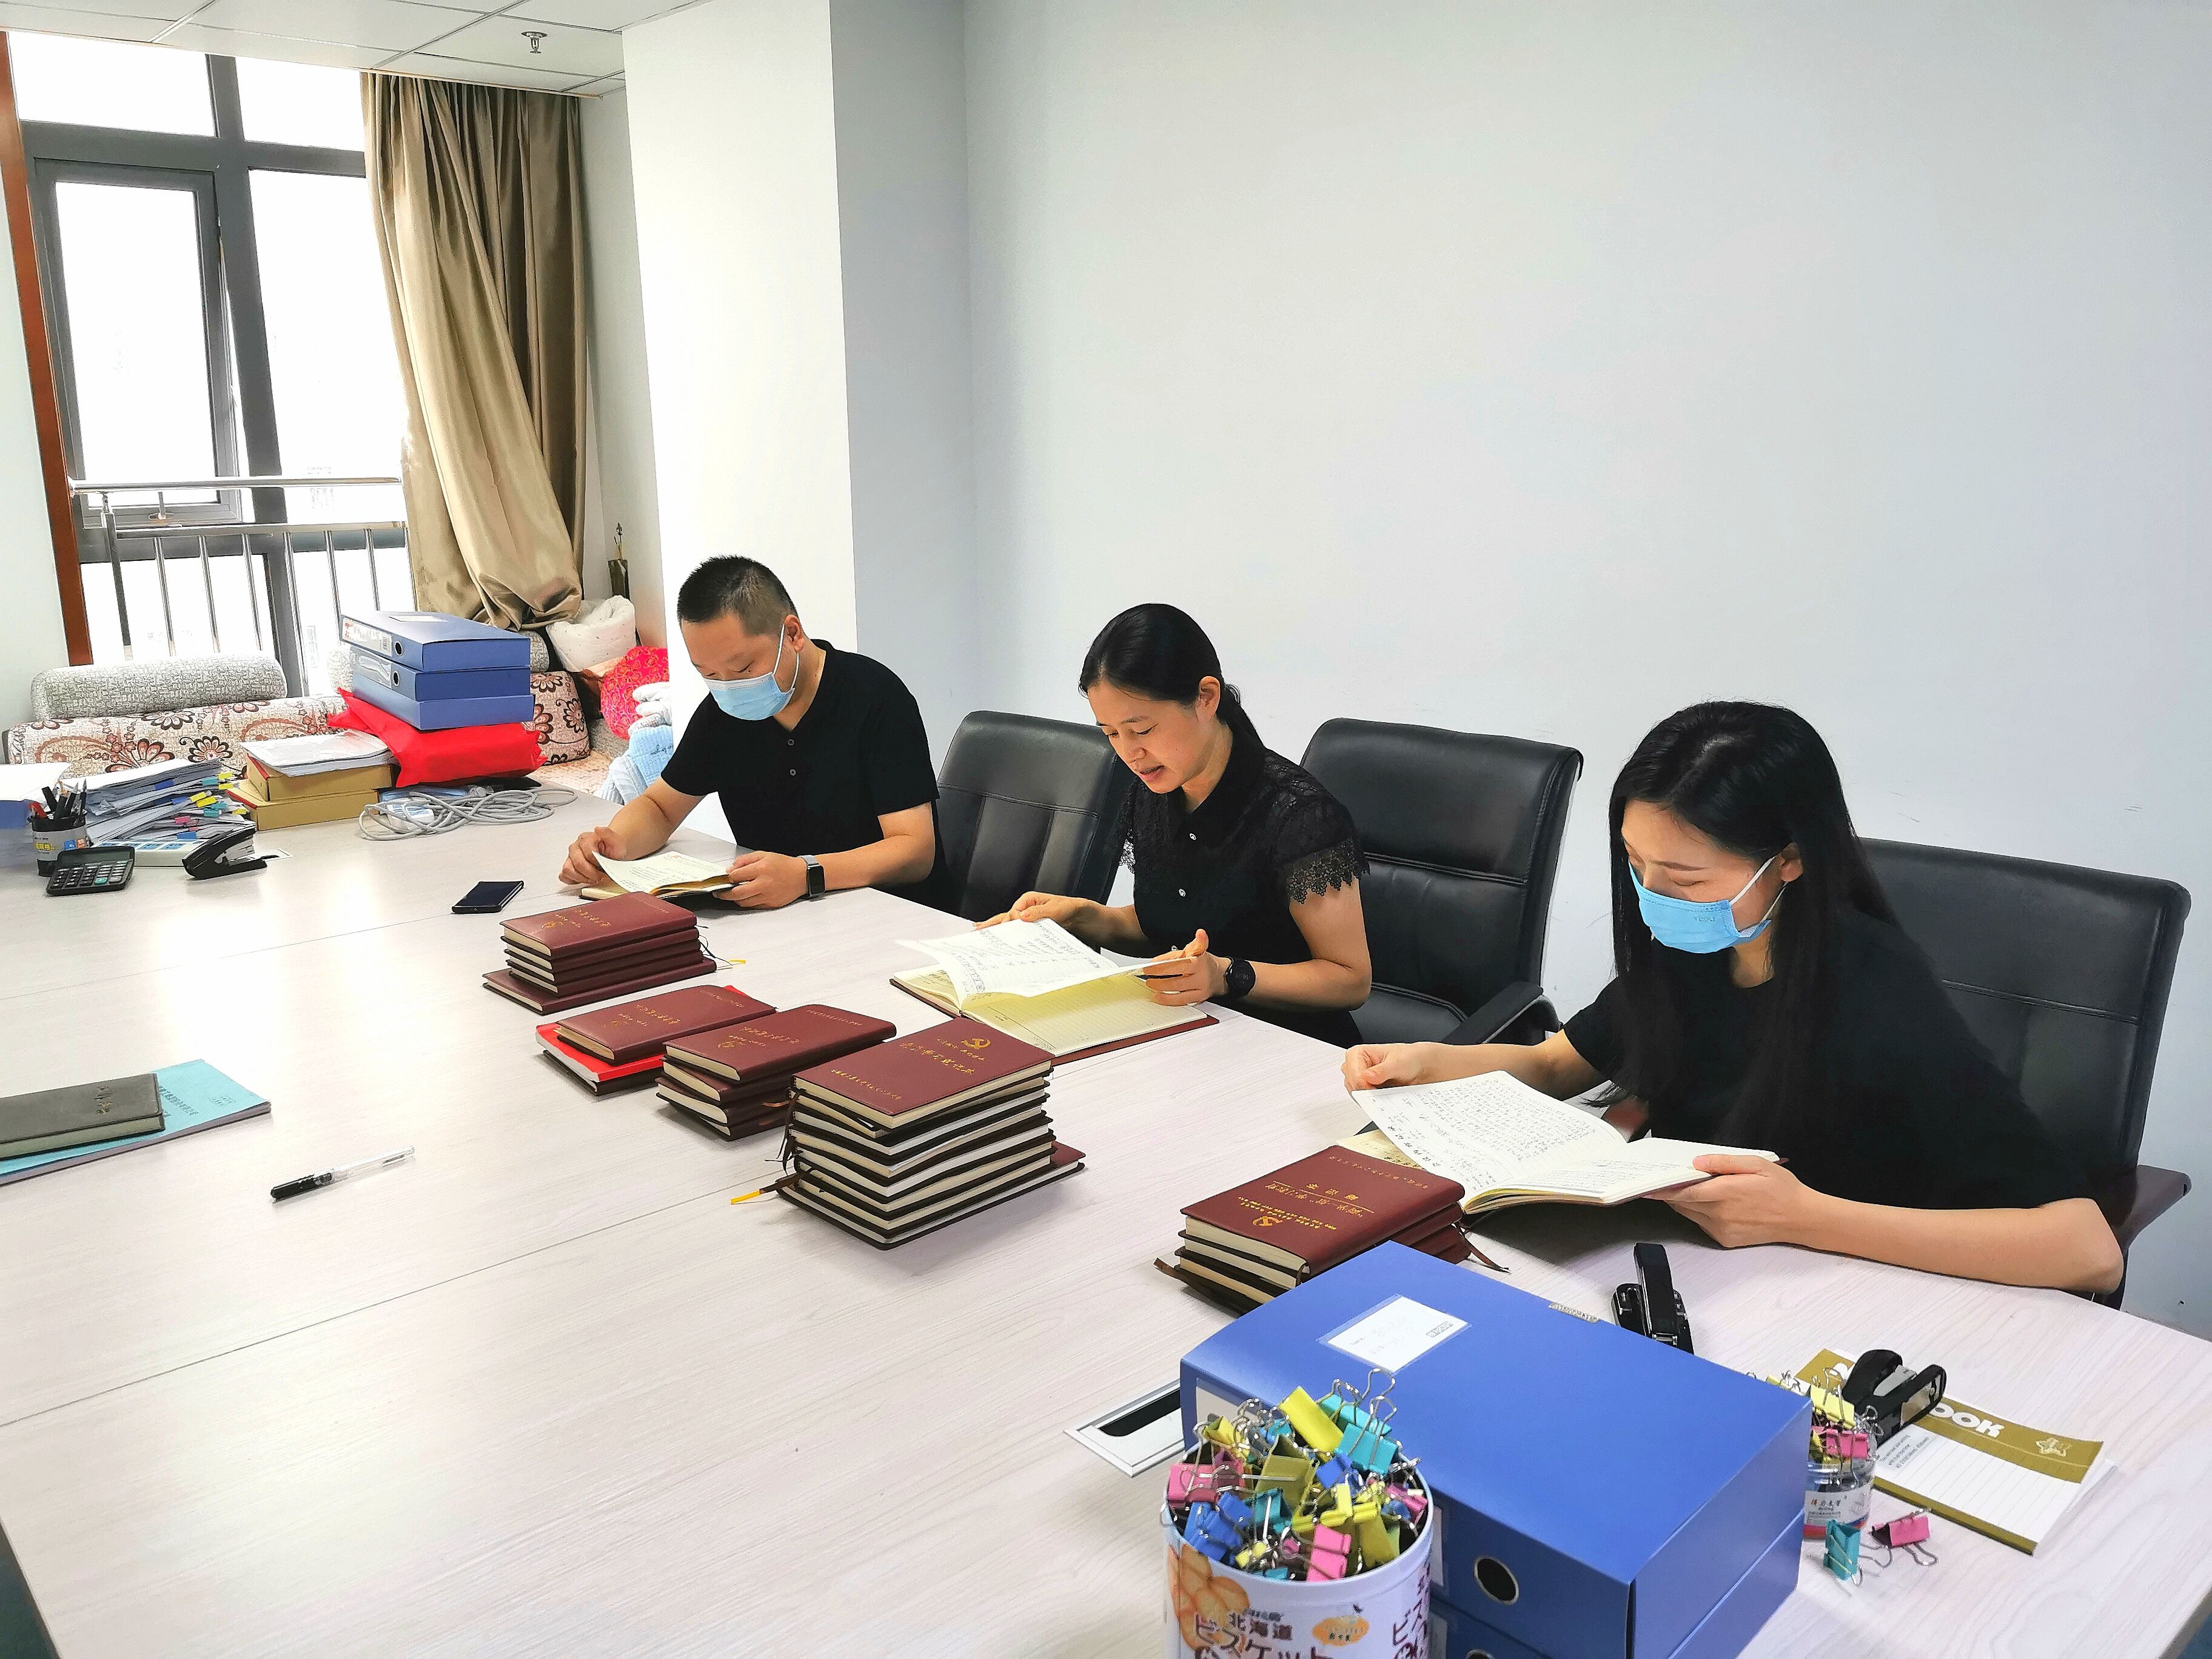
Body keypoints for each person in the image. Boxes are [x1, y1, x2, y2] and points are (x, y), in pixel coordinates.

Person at [1342, 701, 2122, 1294]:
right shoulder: (1696, 948)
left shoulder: (1876, 989)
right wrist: (1430, 1063)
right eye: (1635, 866)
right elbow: (1556, 1065)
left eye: (1683, 879)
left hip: (1847, 1292)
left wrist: (1805, 1216)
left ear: (1789, 861)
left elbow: (2087, 1250)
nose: (1653, 897)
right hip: (1698, 1276)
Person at [984, 603, 1372, 1045]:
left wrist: (1226, 975)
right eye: (1111, 733)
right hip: (1194, 1034)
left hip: (1293, 1046)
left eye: (1142, 730)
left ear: (1205, 697)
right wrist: (1082, 916)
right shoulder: (1154, 791)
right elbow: (1167, 923)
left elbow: (1350, 979)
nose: (1129, 754)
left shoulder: (1298, 814)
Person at [559, 557, 950, 910]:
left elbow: (915, 852)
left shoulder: (875, 698)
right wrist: (613, 846)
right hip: (779, 914)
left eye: (743, 669)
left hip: (891, 914)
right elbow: (660, 807)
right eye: (709, 674)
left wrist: (806, 875)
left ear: (792, 634)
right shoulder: (722, 715)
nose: (729, 687)